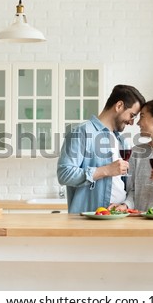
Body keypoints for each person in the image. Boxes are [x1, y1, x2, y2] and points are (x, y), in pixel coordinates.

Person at [57, 84, 146, 213]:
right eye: (132, 115)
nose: (132, 122)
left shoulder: (122, 142)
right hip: (90, 219)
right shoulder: (82, 132)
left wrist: (126, 205)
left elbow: (129, 185)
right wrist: (106, 170)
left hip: (119, 217)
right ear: (119, 106)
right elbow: (64, 174)